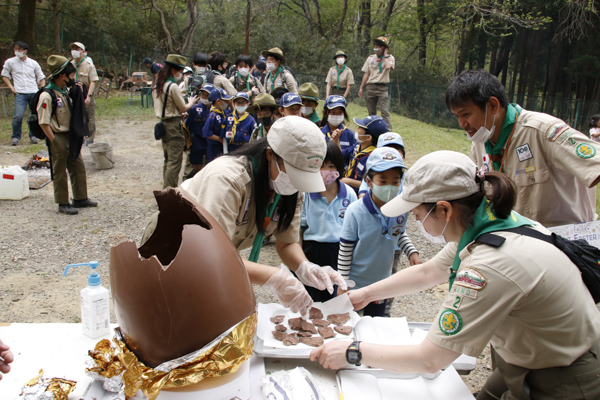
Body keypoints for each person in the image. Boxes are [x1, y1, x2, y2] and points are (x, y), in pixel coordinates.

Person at [311, 151, 600, 400]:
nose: (413, 219)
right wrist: (365, 294)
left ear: (444, 210)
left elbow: (430, 358)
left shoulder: (488, 264)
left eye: (416, 211)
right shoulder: (491, 225)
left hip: (561, 376)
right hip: (527, 359)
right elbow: (429, 271)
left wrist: (353, 351)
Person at [144, 116, 349, 316]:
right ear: (270, 154)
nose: (298, 184)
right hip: (170, 249)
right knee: (172, 314)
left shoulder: (292, 186)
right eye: (295, 173)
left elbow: (286, 243)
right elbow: (211, 257)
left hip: (211, 258)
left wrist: (305, 266)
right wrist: (277, 278)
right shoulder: (228, 180)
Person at [446, 69, 600, 227]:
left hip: (563, 242)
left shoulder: (543, 131)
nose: (462, 124)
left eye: (466, 114)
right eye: (457, 116)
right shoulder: (480, 143)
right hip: (515, 240)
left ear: (492, 105)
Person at [337, 147, 414, 317]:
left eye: (395, 182)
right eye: (383, 180)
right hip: (355, 283)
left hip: (381, 284)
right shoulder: (355, 211)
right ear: (369, 182)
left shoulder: (401, 209)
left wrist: (412, 252)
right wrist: (343, 284)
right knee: (349, 326)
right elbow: (345, 249)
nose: (390, 187)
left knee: (376, 324)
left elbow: (398, 233)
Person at [36, 55, 98, 215]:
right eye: (71, 76)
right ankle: (63, 202)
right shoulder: (47, 95)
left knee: (77, 166)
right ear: (62, 76)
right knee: (59, 170)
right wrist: (54, 140)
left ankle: (80, 198)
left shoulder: (66, 91)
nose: (72, 79)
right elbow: (43, 122)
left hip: (71, 135)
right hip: (57, 136)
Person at [301, 141, 357, 302]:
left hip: (339, 252)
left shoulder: (349, 195)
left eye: (332, 166)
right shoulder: (306, 194)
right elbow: (301, 229)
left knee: (335, 297)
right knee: (312, 296)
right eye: (321, 166)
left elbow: (354, 230)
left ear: (340, 168)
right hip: (312, 250)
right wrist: (301, 262)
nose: (326, 171)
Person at [153, 54, 198, 189]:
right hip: (173, 125)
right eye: (180, 70)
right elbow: (183, 107)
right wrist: (191, 102)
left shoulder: (158, 85)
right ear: (174, 70)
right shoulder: (172, 86)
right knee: (175, 161)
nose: (180, 74)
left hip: (162, 124)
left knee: (168, 160)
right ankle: (169, 192)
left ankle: (167, 189)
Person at [2, 40, 46, 145]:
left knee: (34, 115)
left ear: (25, 51)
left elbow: (41, 77)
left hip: (33, 91)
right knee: (18, 115)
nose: (17, 51)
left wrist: (42, 89)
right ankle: (16, 137)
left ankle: (34, 135)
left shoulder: (33, 63)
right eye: (15, 49)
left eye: (19, 49)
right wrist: (11, 88)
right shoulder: (10, 62)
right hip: (20, 93)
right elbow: (4, 75)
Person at [337, 115, 388, 192]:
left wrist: (348, 181)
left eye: (360, 128)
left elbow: (370, 184)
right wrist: (336, 139)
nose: (357, 130)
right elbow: (341, 156)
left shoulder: (373, 158)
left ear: (368, 137)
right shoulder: (357, 146)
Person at [358, 36, 395, 129]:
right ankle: (371, 129)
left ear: (383, 47)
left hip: (382, 88)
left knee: (384, 112)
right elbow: (366, 74)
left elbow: (388, 67)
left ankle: (388, 131)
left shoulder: (390, 58)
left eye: (378, 45)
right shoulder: (370, 58)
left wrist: (385, 55)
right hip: (370, 87)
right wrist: (361, 87)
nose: (375, 47)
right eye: (374, 45)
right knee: (371, 112)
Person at [70, 42, 99, 144]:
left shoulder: (89, 65)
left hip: (86, 92)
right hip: (73, 92)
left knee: (89, 116)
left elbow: (93, 81)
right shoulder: (70, 65)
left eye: (77, 49)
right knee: (75, 115)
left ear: (83, 51)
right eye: (73, 48)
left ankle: (90, 137)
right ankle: (79, 136)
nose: (74, 51)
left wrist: (89, 96)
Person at [185, 83, 214, 175]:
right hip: (197, 141)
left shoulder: (215, 109)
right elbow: (188, 125)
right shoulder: (195, 109)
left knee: (211, 165)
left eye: (207, 95)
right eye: (203, 95)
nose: (205, 97)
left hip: (211, 141)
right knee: (197, 165)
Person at [202, 87, 232, 162]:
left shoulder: (223, 112)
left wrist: (231, 104)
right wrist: (220, 140)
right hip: (214, 148)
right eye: (225, 101)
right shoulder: (213, 116)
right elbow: (207, 133)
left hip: (222, 147)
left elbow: (234, 116)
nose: (227, 102)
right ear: (218, 101)